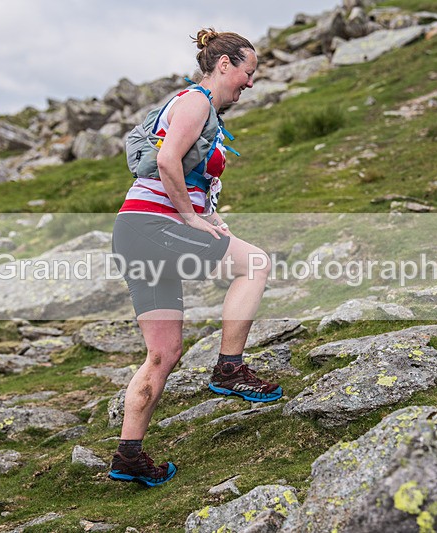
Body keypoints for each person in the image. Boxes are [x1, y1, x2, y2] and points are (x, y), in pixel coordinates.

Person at [107, 28, 282, 487]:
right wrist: (188, 217)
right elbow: (167, 162)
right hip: (152, 225)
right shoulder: (196, 101)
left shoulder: (201, 110)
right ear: (224, 64)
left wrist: (208, 217)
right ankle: (229, 368)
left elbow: (186, 172)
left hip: (136, 232)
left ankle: (129, 455)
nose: (250, 83)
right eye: (248, 72)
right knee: (256, 263)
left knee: (163, 353)